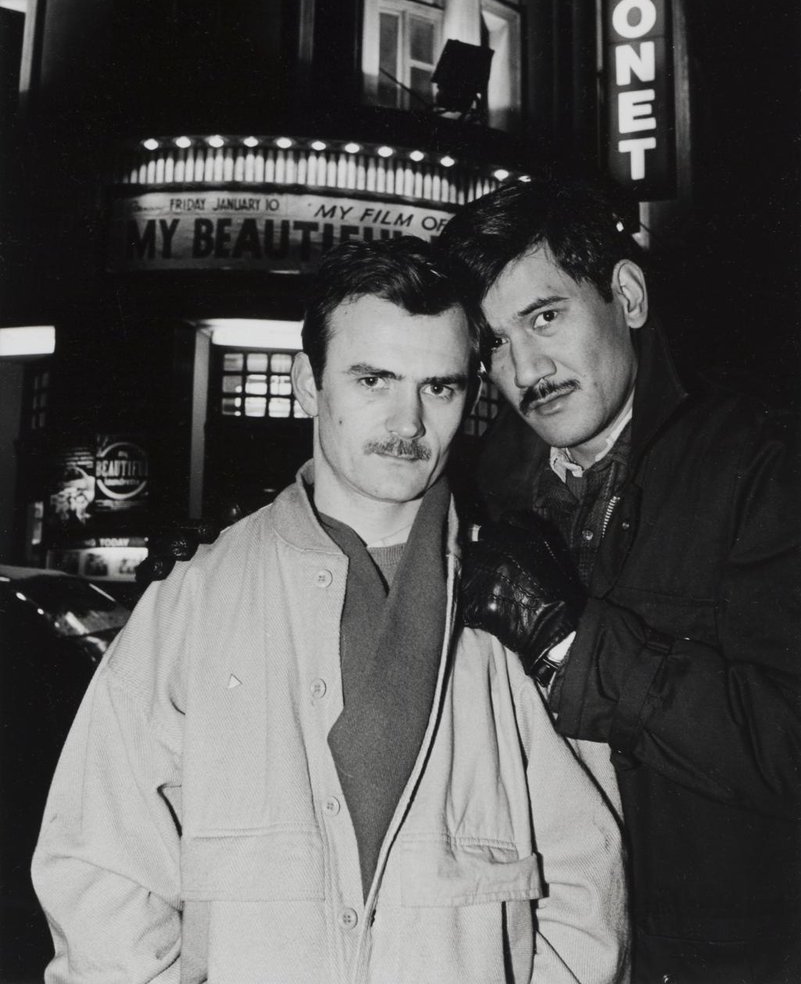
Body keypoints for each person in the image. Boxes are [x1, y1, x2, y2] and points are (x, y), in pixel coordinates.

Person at [32, 237, 629, 984]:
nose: (407, 421)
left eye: (438, 387)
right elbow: (100, 862)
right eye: (373, 379)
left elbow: (586, 875)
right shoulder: (196, 596)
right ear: (308, 384)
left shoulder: (518, 601)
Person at [440, 179, 801, 984]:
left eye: (544, 316)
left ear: (626, 297)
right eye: (493, 343)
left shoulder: (762, 466)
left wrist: (571, 644)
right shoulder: (477, 503)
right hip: (546, 950)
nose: (525, 366)